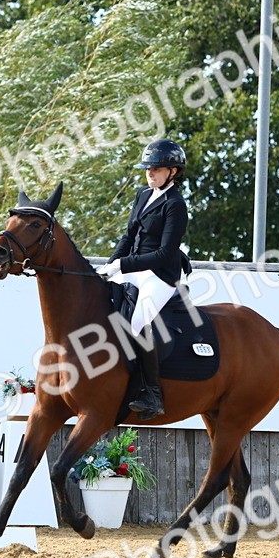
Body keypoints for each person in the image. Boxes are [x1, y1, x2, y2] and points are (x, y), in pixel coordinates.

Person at [97, 138, 193, 419]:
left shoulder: (175, 205)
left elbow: (164, 254)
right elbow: (128, 236)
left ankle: (153, 392)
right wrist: (110, 264)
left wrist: (123, 264)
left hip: (160, 275)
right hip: (135, 267)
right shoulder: (142, 195)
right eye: (148, 169)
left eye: (157, 169)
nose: (150, 173)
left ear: (173, 171)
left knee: (138, 323)